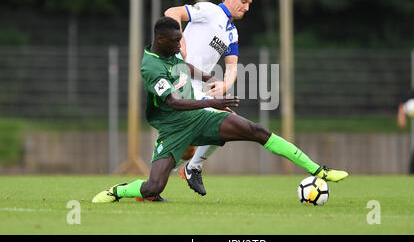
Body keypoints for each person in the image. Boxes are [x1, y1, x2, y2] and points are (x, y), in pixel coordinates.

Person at [91, 17, 348, 204]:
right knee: (152, 187)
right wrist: (210, 103)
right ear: (161, 40)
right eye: (176, 40)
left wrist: (207, 77)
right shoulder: (150, 67)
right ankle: (119, 191)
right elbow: (173, 103)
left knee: (255, 130)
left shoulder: (171, 50)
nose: (181, 44)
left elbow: (184, 65)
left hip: (198, 117)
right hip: (173, 128)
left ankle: (318, 170)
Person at [163, 0, 257, 196]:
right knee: (226, 120)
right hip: (179, 79)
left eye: (249, 4)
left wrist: (225, 84)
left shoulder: (232, 33)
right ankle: (192, 168)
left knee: (188, 148)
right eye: (243, 1)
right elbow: (172, 12)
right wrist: (180, 40)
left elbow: (232, 67)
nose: (246, 7)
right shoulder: (209, 10)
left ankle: (156, 182)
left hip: (198, 85)